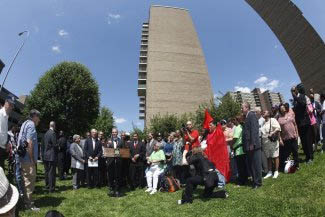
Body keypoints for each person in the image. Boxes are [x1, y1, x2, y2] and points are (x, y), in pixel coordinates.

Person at [18, 109, 41, 211]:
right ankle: (28, 205)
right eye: (38, 117)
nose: (39, 120)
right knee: (29, 182)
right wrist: (32, 159)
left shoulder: (25, 123)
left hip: (22, 158)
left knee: (24, 180)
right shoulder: (31, 124)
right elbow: (29, 143)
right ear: (35, 116)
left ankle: (24, 202)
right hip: (28, 159)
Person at [242, 102, 262, 189]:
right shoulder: (246, 117)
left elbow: (254, 130)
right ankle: (254, 181)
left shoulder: (252, 115)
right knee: (251, 165)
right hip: (248, 146)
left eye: (242, 107)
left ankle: (258, 182)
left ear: (247, 108)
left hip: (253, 145)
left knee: (256, 164)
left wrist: (252, 143)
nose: (241, 109)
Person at [292, 85, 313, 163]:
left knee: (308, 140)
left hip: (305, 122)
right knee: (303, 141)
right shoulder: (294, 100)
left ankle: (310, 157)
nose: (293, 92)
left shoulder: (302, 96)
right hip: (299, 123)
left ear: (297, 90)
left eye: (294, 90)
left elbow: (303, 104)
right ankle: (307, 156)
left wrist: (296, 98)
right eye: (292, 91)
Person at [205, 121, 230, 186]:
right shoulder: (209, 134)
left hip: (219, 155)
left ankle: (221, 183)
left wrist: (218, 124)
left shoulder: (218, 132)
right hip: (211, 156)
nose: (209, 127)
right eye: (209, 125)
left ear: (214, 126)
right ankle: (215, 182)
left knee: (220, 168)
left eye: (210, 125)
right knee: (214, 169)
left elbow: (220, 143)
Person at [278, 104, 299, 170]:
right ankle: (288, 166)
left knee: (295, 151)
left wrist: (297, 134)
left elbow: (295, 125)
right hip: (286, 139)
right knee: (287, 154)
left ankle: (297, 165)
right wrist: (280, 139)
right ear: (280, 110)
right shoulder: (279, 119)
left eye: (283, 107)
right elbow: (279, 131)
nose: (282, 108)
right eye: (281, 108)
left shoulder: (290, 115)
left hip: (293, 136)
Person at [261, 111, 281, 179]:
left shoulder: (272, 120)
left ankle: (276, 171)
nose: (263, 113)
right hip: (265, 142)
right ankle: (270, 172)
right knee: (268, 157)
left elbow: (278, 128)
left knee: (275, 156)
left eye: (264, 112)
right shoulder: (263, 122)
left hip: (272, 141)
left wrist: (272, 133)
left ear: (269, 114)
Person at [106, 128, 123, 197]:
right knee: (110, 176)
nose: (114, 133)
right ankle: (111, 189)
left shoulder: (121, 141)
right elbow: (106, 150)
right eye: (113, 132)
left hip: (118, 161)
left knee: (118, 176)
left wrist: (117, 153)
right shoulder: (108, 140)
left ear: (117, 133)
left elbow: (122, 151)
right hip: (110, 161)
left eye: (115, 132)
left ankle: (118, 190)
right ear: (111, 133)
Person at [233, 115, 248, 186]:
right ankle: (245, 179)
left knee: (240, 167)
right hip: (243, 149)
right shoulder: (242, 127)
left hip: (239, 150)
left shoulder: (238, 128)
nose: (233, 122)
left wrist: (231, 144)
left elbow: (235, 138)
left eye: (234, 120)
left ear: (237, 120)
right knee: (244, 166)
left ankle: (241, 181)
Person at [43, 121, 58, 193]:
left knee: (47, 171)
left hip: (46, 155)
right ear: (54, 126)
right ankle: (51, 189)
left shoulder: (46, 133)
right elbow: (55, 145)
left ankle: (47, 186)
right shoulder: (53, 133)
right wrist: (58, 146)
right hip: (51, 155)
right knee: (51, 172)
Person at [0, 97, 14, 170]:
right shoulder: (1, 114)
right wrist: (5, 143)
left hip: (2, 148)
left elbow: (4, 133)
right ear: (5, 103)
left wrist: (7, 143)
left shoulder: (6, 116)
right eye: (10, 104)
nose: (11, 107)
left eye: (12, 105)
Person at [255, 107, 268, 175]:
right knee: (259, 154)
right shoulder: (255, 120)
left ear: (259, 112)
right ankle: (262, 169)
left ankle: (266, 169)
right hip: (257, 139)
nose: (255, 113)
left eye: (256, 112)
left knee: (264, 154)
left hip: (263, 138)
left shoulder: (263, 120)